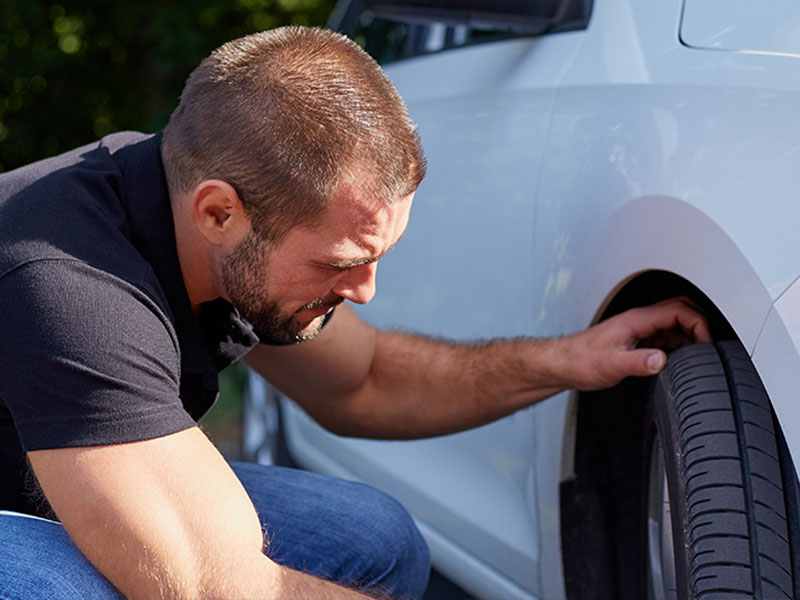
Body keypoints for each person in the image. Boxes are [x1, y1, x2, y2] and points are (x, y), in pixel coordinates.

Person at [0, 25, 711, 599]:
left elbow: (365, 379)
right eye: (339, 263)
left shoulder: (204, 226)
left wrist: (571, 358)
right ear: (219, 211)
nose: (365, 289)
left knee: (370, 538)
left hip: (47, 471)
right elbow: (215, 586)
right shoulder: (68, 285)